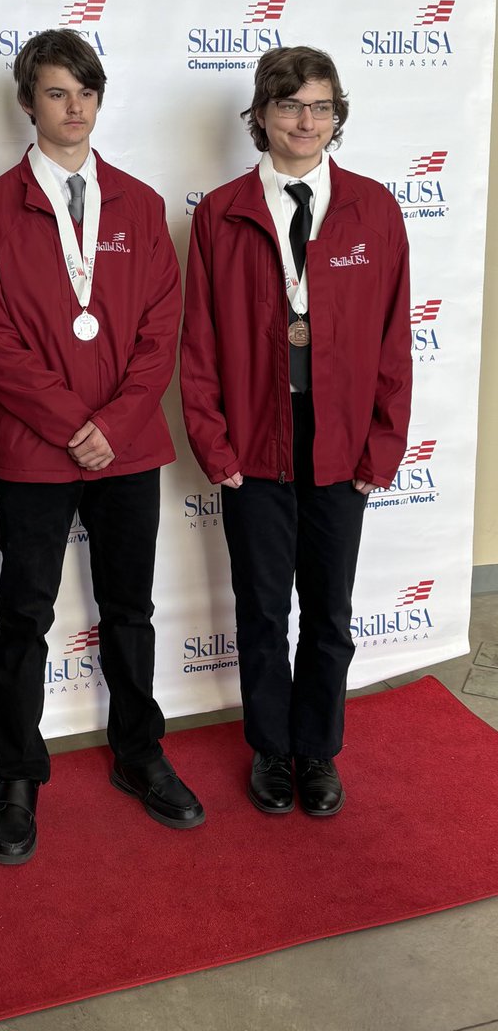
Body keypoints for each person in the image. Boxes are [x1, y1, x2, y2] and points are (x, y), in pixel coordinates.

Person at [0, 29, 203, 865]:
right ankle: (19, 775)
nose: (74, 108)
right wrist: (72, 423)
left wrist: (119, 422)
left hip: (128, 449)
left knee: (129, 609)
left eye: (86, 92)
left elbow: (159, 330)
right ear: (28, 103)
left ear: (101, 101)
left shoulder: (139, 204)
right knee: (24, 613)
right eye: (57, 93)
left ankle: (140, 753)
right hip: (37, 450)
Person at [180, 46, 411, 818]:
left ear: (336, 116)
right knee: (262, 609)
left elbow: (392, 339)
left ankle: (318, 752)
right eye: (289, 107)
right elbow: (200, 343)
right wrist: (215, 446)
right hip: (255, 439)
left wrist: (382, 445)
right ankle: (271, 751)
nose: (305, 122)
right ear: (261, 117)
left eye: (320, 108)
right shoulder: (220, 212)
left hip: (342, 443)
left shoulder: (374, 208)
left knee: (331, 613)